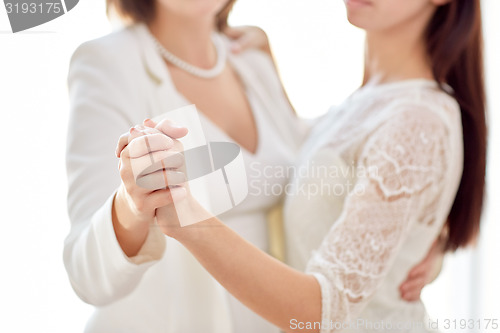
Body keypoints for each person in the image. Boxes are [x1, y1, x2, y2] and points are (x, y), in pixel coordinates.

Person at [64, 0, 444, 332]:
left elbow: (326, 166)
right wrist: (133, 204)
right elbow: (86, 275)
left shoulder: (252, 60)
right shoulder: (108, 63)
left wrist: (420, 235)